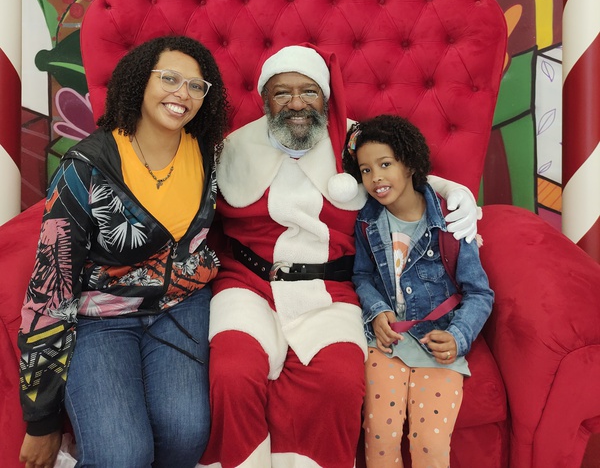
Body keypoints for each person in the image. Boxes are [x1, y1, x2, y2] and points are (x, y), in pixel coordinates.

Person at [199, 44, 481, 468]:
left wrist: (451, 190)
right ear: (265, 100)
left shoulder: (354, 141)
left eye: (309, 92)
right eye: (282, 93)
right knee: (232, 373)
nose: (296, 104)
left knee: (340, 380)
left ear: (326, 98)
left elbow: (398, 171)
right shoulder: (232, 147)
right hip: (247, 284)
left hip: (330, 290)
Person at [18, 35, 229, 468]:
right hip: (102, 318)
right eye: (169, 79)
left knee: (186, 433)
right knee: (121, 455)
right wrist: (41, 418)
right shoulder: (85, 167)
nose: (182, 93)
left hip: (182, 306)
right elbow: (51, 288)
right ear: (139, 82)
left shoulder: (210, 152)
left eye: (196, 85)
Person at [342, 114, 494, 468]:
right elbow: (362, 275)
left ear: (409, 164)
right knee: (380, 436)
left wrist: (458, 336)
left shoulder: (450, 222)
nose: (376, 178)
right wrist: (377, 310)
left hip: (437, 343)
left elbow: (479, 293)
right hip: (386, 343)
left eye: (385, 164)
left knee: (430, 443)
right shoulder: (366, 221)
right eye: (366, 170)